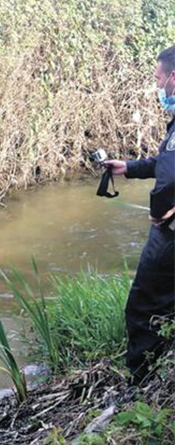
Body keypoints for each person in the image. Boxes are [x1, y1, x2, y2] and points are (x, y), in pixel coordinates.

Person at [103, 45, 175, 384]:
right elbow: (166, 163)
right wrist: (129, 167)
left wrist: (162, 214)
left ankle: (142, 381)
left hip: (170, 233)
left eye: (159, 78)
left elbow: (170, 177)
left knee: (143, 306)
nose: (157, 86)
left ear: (174, 78)